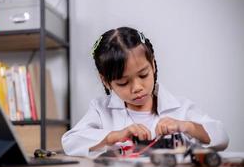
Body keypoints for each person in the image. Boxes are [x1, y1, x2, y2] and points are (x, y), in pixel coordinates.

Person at [62, 27, 229, 157]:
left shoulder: (181, 108)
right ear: (106, 81)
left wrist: (187, 126)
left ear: (153, 65)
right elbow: (70, 142)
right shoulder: (101, 109)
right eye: (123, 82)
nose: (137, 88)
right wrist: (115, 136)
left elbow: (222, 138)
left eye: (143, 75)